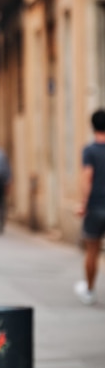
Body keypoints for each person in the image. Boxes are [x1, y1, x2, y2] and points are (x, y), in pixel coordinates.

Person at [74, 109, 105, 305]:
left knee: (92, 250)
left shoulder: (90, 151)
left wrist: (83, 204)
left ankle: (90, 290)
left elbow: (88, 177)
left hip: (95, 206)